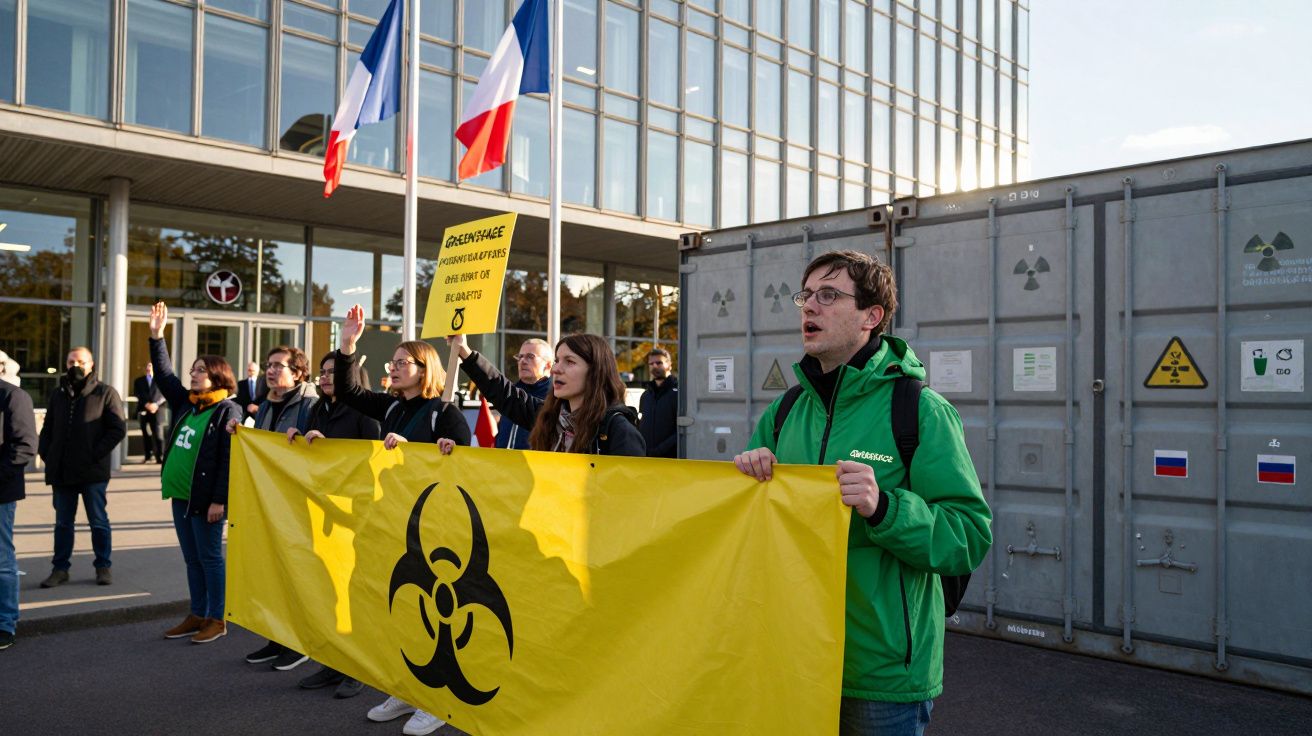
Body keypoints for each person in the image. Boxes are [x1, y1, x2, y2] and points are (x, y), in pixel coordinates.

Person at [733, 250, 991, 736]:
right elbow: (751, 530)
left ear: (872, 316)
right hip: (792, 656)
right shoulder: (784, 411)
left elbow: (968, 537)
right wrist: (748, 480)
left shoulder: (920, 410)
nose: (810, 306)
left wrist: (884, 508)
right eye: (806, 295)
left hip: (880, 672)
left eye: (829, 295)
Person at [330, 304, 469, 736]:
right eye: (392, 362)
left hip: (437, 529)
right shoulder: (392, 407)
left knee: (434, 613)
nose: (393, 367)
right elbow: (349, 392)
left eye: (402, 362)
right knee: (404, 609)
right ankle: (409, 690)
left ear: (425, 369)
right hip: (398, 521)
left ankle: (439, 702)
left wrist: (417, 450)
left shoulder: (444, 412)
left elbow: (465, 468)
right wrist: (348, 345)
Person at [287, 352, 381, 699]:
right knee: (328, 590)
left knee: (354, 594)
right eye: (323, 372)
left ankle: (358, 668)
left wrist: (332, 450)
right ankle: (333, 661)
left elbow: (372, 458)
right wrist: (297, 439)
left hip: (355, 513)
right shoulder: (317, 409)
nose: (325, 377)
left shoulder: (364, 411)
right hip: (323, 512)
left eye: (333, 372)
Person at [147, 302, 242, 645]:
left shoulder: (227, 410)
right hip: (181, 496)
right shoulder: (189, 403)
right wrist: (157, 336)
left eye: (201, 370)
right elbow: (164, 376)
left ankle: (217, 618)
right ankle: (198, 613)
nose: (194, 374)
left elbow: (229, 459)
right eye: (193, 369)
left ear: (217, 375)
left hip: (206, 500)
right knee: (192, 559)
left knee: (210, 558)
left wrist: (220, 499)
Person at [232, 345, 318, 671]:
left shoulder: (309, 404)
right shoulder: (267, 405)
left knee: (295, 575)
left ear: (297, 373)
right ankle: (277, 638)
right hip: (269, 502)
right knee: (273, 574)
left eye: (278, 366)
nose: (270, 371)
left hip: (296, 505)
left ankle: (300, 643)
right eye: (269, 365)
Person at [444, 333, 644, 457]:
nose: (556, 369)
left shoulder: (617, 429)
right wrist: (464, 351)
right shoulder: (550, 416)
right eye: (557, 360)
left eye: (570, 361)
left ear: (596, 371)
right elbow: (504, 393)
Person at [37, 346, 127, 588]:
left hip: (92, 472)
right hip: (62, 471)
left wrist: (94, 454)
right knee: (63, 523)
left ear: (91, 364)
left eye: (80, 362)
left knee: (98, 521)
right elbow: (48, 428)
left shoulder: (105, 392)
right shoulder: (58, 394)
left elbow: (117, 429)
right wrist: (47, 453)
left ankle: (103, 566)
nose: (75, 366)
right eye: (70, 362)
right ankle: (60, 569)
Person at [0, 376, 37, 650]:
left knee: (1, 561)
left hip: (1, 494)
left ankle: (5, 624)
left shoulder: (13, 396)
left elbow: (24, 447)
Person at [496, 338, 553, 450]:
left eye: (530, 357)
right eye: (520, 357)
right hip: (502, 460)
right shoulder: (510, 393)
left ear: (548, 365)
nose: (523, 361)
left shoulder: (555, 398)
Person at [637, 347, 678, 458]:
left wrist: (659, 450)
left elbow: (681, 430)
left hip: (671, 459)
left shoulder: (679, 394)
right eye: (651, 364)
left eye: (659, 363)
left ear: (669, 364)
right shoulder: (646, 396)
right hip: (647, 458)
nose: (654, 366)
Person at [133, 361, 166, 463]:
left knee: (158, 434)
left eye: (150, 366)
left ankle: (160, 456)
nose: (148, 368)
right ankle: (148, 456)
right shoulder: (139, 381)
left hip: (158, 410)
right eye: (147, 366)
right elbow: (137, 394)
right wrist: (146, 404)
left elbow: (164, 394)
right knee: (146, 433)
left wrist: (156, 404)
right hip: (144, 410)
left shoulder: (161, 380)